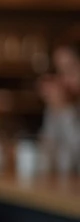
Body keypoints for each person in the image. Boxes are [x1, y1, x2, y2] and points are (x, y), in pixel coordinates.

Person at [38, 36, 80, 170]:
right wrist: (55, 109)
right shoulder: (65, 99)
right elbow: (47, 152)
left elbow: (75, 161)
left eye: (70, 68)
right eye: (60, 71)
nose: (64, 79)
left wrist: (65, 110)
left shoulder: (65, 106)